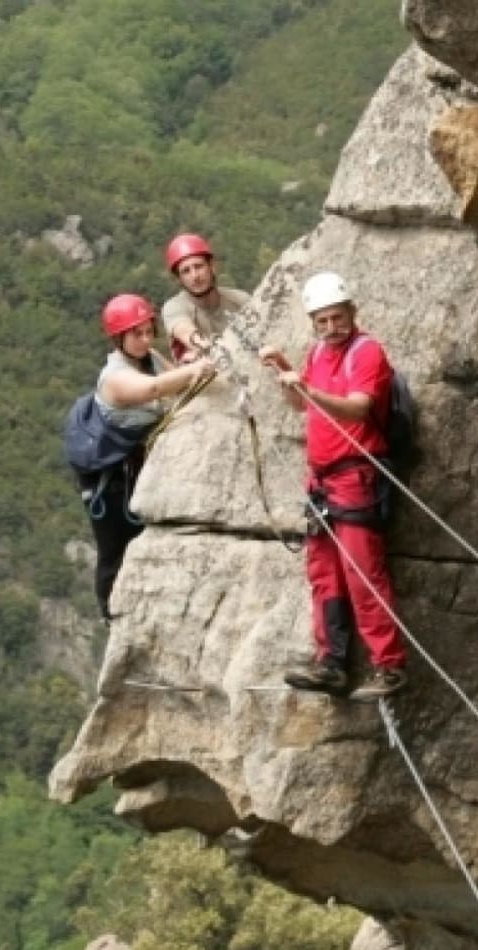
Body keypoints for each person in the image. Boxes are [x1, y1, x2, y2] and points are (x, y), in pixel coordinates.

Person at [258, 271, 407, 699]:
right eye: (321, 321)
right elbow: (299, 404)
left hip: (357, 472)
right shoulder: (319, 353)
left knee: (363, 572)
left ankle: (390, 667)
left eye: (336, 318)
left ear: (351, 313)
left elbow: (358, 410)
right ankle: (332, 663)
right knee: (325, 574)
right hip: (323, 480)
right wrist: (286, 370)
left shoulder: (367, 353)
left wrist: (305, 387)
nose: (330, 328)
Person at [86, 294, 213, 619]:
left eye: (147, 331)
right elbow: (156, 389)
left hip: (141, 468)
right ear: (118, 338)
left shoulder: (150, 357)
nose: (145, 340)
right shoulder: (114, 378)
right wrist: (196, 368)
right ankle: (112, 616)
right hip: (111, 481)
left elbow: (177, 385)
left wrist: (194, 367)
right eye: (136, 334)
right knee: (115, 550)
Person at [159, 233, 250, 362]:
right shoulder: (175, 307)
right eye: (186, 271)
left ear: (212, 266)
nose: (195, 276)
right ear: (179, 278)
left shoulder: (240, 300)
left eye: (198, 266)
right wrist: (200, 344)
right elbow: (182, 328)